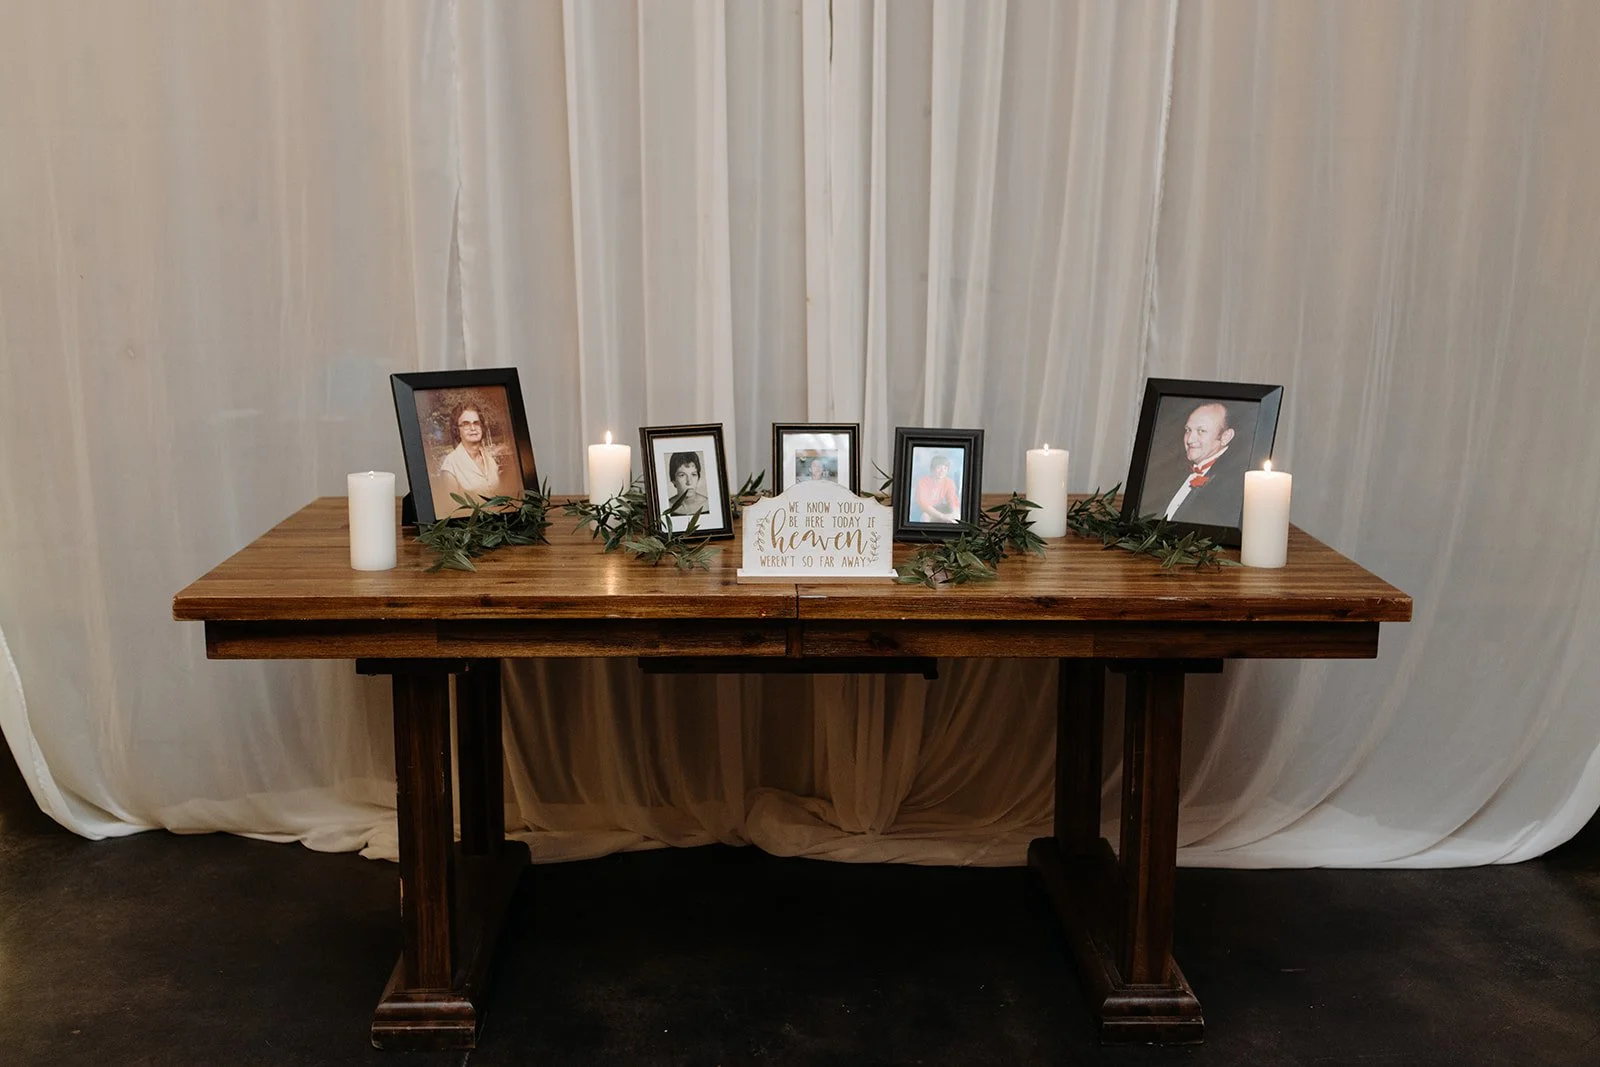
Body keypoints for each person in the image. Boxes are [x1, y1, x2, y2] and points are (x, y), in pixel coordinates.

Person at [1155, 401, 1250, 525]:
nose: (1190, 439)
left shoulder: (1234, 483)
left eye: (1201, 431)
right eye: (1188, 430)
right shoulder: (1172, 472)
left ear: (1226, 437)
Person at [437, 400, 506, 511]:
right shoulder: (450, 465)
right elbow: (451, 509)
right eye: (466, 424)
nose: (473, 428)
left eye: (476, 423)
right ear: (457, 430)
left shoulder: (490, 460)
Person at [913, 454, 961, 523]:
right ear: (932, 469)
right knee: (925, 516)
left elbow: (952, 501)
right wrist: (942, 516)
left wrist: (954, 513)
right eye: (939, 468)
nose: (942, 471)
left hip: (938, 508)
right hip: (922, 510)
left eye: (945, 468)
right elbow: (924, 505)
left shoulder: (949, 482)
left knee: (956, 515)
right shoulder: (923, 482)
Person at [666, 451, 710, 516]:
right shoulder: (666, 507)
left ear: (698, 477)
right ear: (673, 480)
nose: (689, 482)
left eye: (693, 474)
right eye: (682, 475)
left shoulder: (709, 504)